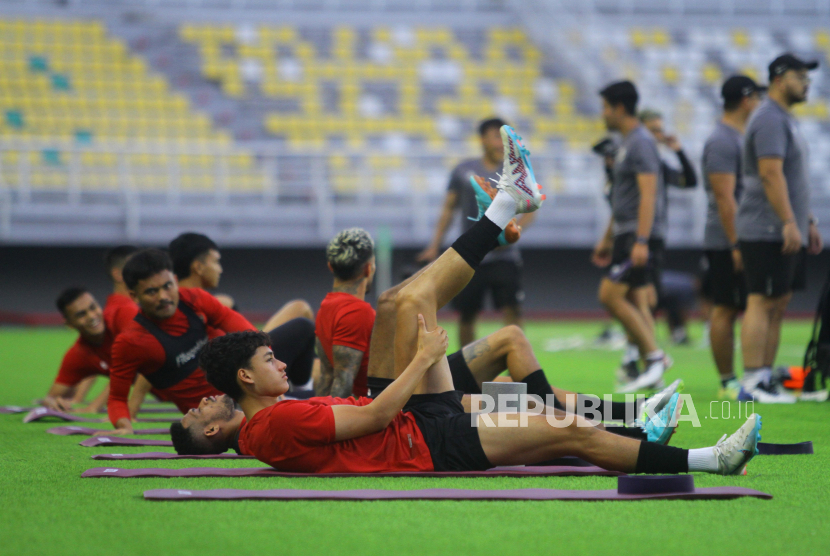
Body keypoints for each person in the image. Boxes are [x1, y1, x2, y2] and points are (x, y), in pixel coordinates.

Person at [182, 126, 759, 477]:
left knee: (404, 302)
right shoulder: (269, 427)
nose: (279, 361)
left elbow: (355, 403)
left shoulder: (268, 419)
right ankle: (705, 458)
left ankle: (508, 205)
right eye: (267, 362)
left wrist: (417, 360)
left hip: (410, 420)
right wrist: (422, 356)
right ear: (245, 383)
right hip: (425, 441)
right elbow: (371, 411)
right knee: (560, 424)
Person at [107, 249, 316, 433]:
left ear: (175, 280)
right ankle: (298, 394)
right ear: (134, 296)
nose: (163, 296)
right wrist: (124, 426)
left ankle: (297, 391)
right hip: (223, 412)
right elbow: (117, 398)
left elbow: (250, 334)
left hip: (250, 387)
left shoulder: (194, 299)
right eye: (152, 291)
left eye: (168, 286)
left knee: (303, 327)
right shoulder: (131, 342)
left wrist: (270, 375)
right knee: (326, 399)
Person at [736, 54, 823, 403]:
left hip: (784, 225)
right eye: (800, 76)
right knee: (762, 299)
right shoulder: (770, 119)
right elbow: (771, 174)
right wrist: (789, 221)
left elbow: (791, 177)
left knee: (779, 300)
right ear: (779, 78)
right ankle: (753, 382)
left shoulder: (784, 119)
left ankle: (766, 377)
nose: (806, 83)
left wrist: (807, 220)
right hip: (766, 227)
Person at [416, 118, 534, 347]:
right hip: (471, 255)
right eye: (495, 137)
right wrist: (434, 245)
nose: (500, 143)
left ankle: (519, 363)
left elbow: (531, 209)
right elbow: (449, 208)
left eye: (503, 139)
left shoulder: (514, 171)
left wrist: (514, 230)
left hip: (504, 255)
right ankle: (468, 368)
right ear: (482, 139)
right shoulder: (463, 171)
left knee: (513, 311)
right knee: (467, 314)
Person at [591, 81, 670, 393]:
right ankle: (654, 369)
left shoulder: (640, 142)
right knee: (637, 301)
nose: (603, 114)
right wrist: (608, 236)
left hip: (636, 236)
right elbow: (624, 198)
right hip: (626, 233)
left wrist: (641, 240)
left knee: (610, 296)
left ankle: (654, 357)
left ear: (619, 108)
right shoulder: (627, 142)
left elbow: (649, 194)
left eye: (605, 107)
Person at [702, 75, 764, 400]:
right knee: (725, 306)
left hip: (740, 236)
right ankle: (727, 381)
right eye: (756, 98)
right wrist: (736, 242)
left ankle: (755, 378)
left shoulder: (737, 136)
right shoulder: (723, 140)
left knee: (747, 304)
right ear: (745, 100)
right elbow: (725, 198)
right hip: (727, 239)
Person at [169, 232, 314, 330]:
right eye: (216, 262)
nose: (220, 269)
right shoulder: (212, 304)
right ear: (199, 267)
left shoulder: (173, 305)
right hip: (243, 365)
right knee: (300, 308)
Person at [315, 228, 377, 398]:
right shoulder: (358, 312)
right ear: (368, 269)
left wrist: (316, 412)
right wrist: (328, 423)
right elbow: (343, 381)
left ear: (330, 267)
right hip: (370, 409)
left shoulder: (325, 307)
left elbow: (326, 376)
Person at [41, 288, 114, 413]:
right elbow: (50, 397)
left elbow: (133, 369)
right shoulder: (78, 354)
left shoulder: (120, 324)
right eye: (81, 314)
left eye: (93, 307)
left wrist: (94, 406)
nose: (91, 316)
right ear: (69, 324)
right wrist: (54, 403)